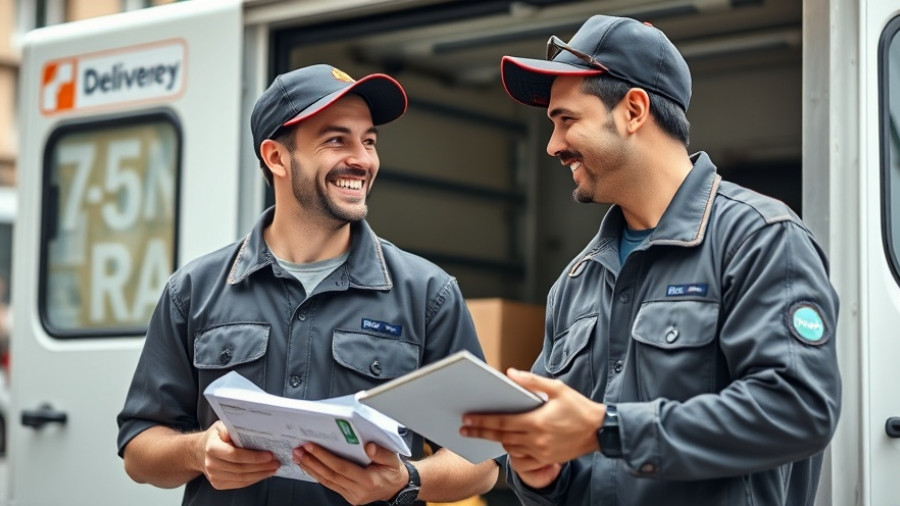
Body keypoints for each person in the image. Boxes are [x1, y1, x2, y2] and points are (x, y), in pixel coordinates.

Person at [460, 14, 841, 506]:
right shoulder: (576, 283)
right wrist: (539, 474)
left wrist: (607, 429)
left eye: (566, 120)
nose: (553, 146)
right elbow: (565, 481)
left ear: (633, 110)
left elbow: (798, 409)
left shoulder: (760, 239)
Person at [117, 64, 498, 506]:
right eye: (337, 140)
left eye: (369, 140)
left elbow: (483, 462)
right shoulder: (194, 290)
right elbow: (140, 450)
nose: (363, 158)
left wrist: (405, 479)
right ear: (277, 157)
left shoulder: (429, 295)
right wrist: (199, 452)